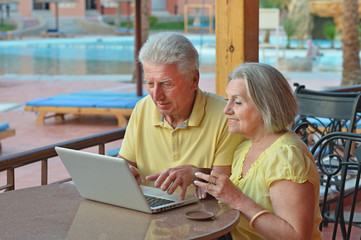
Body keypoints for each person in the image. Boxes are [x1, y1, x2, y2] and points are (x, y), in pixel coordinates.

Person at [194, 62, 322, 239]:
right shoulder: (244, 147)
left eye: (237, 102)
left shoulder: (286, 156)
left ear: (266, 107)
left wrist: (237, 199)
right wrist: (196, 174)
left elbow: (298, 236)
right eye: (227, 100)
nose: (226, 110)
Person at [118, 32, 244, 200]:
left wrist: (196, 173)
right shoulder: (142, 108)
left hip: (202, 216)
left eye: (167, 84)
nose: (156, 96)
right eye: (150, 84)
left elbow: (226, 187)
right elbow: (125, 162)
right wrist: (125, 170)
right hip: (146, 211)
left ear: (194, 80)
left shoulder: (225, 116)